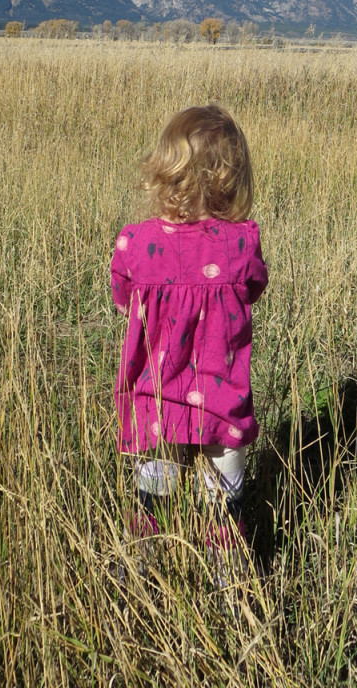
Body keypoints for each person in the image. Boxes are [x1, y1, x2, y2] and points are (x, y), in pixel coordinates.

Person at [111, 104, 268, 574]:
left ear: (166, 170)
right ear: (229, 177)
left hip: (156, 397)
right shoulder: (242, 243)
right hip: (223, 398)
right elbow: (255, 288)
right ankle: (229, 585)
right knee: (226, 504)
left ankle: (140, 566)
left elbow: (124, 298)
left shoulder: (135, 242)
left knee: (152, 494)